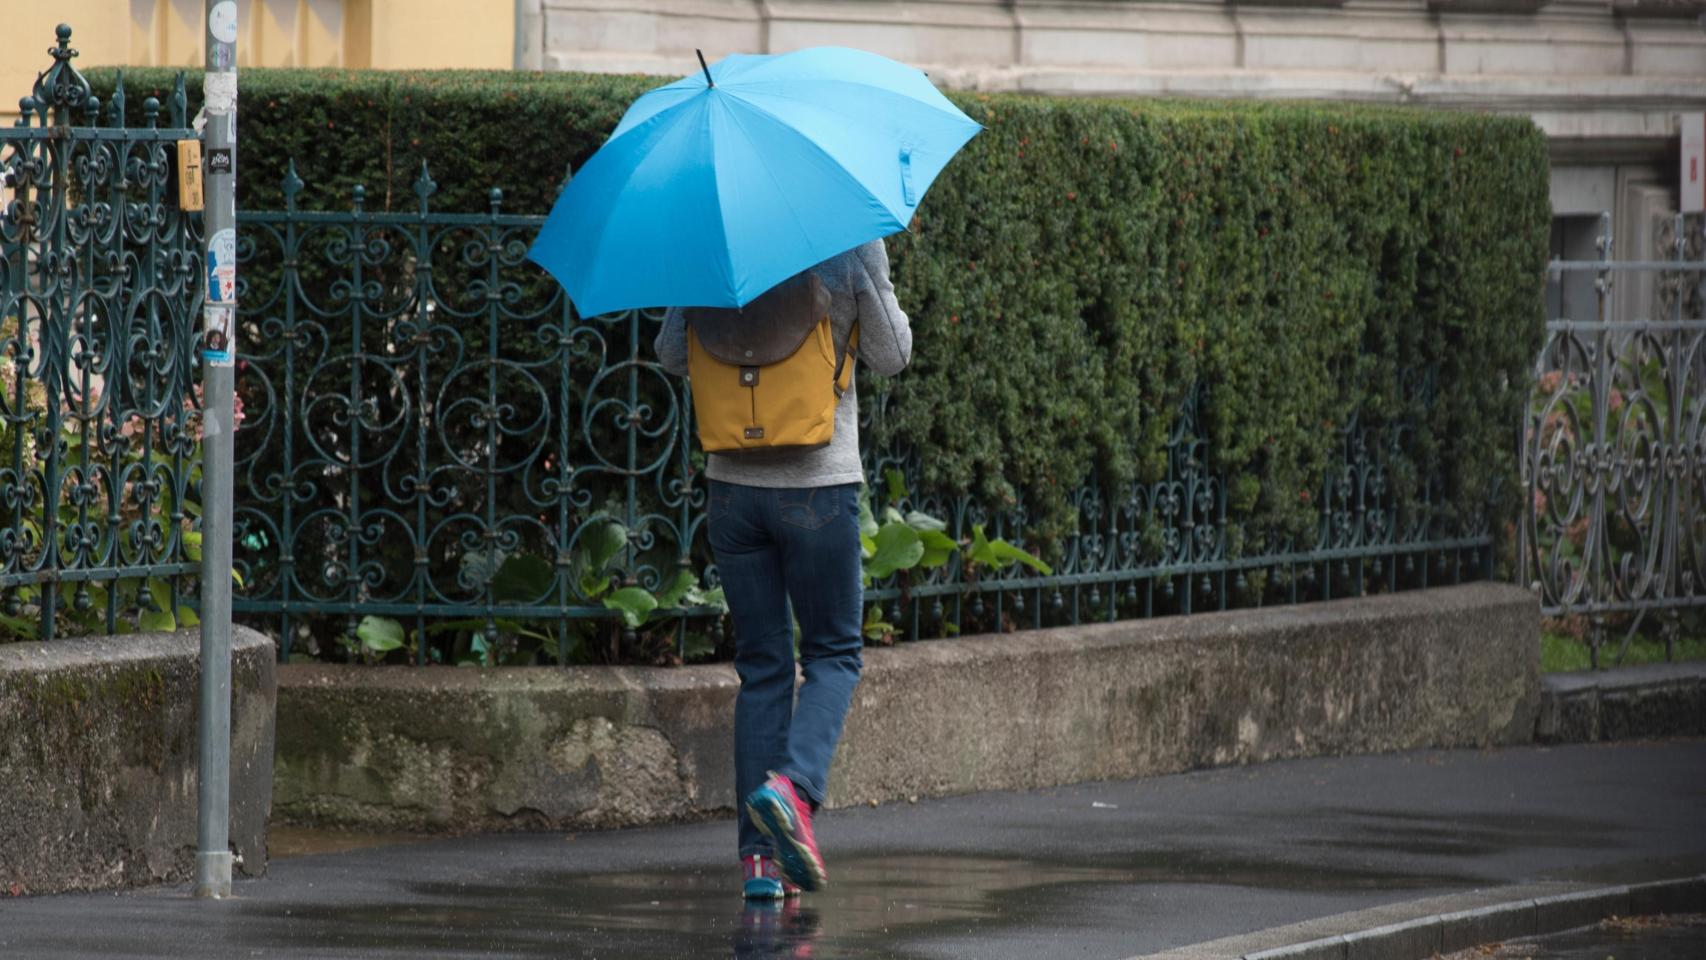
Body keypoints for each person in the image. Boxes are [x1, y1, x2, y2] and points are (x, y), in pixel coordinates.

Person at [655, 238, 912, 900]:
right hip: (817, 485)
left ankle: (761, 866)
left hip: (733, 490)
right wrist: (873, 272)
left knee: (763, 667)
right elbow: (892, 354)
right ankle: (793, 789)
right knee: (834, 654)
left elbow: (673, 356)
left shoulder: (709, 240)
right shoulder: (846, 239)